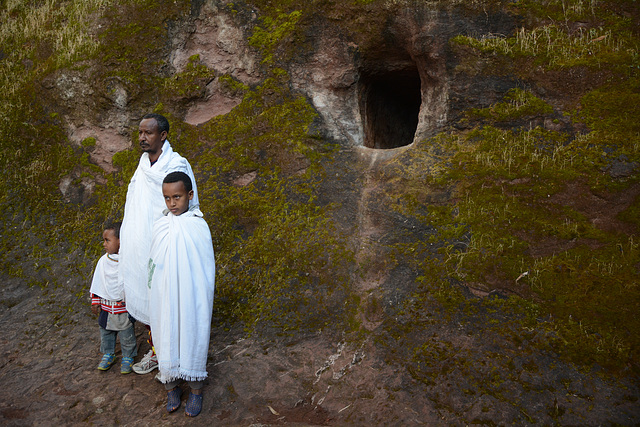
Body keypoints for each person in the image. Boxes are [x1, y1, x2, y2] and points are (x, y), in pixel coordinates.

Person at [118, 113, 199, 375]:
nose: (142, 138)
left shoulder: (177, 165)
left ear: (162, 135)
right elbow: (136, 205)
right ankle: (157, 352)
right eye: (140, 132)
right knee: (148, 297)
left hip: (167, 247)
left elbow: (187, 206)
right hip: (142, 248)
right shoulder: (142, 165)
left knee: (169, 300)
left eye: (148, 133)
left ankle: (175, 356)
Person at [148, 171, 215, 417]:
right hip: (165, 295)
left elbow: (205, 268)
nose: (172, 203)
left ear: (190, 195)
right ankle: (171, 386)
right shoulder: (161, 225)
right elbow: (153, 263)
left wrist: (196, 293)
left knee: (190, 331)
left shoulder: (198, 225)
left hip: (190, 295)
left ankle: (196, 390)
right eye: (167, 198)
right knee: (166, 333)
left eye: (177, 197)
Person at [90, 222, 137, 374]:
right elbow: (98, 282)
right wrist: (95, 301)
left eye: (107, 240)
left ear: (120, 241)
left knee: (126, 335)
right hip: (106, 308)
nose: (104, 244)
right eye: (104, 240)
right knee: (106, 333)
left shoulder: (128, 263)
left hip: (123, 309)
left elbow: (133, 283)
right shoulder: (103, 262)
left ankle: (128, 357)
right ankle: (108, 354)